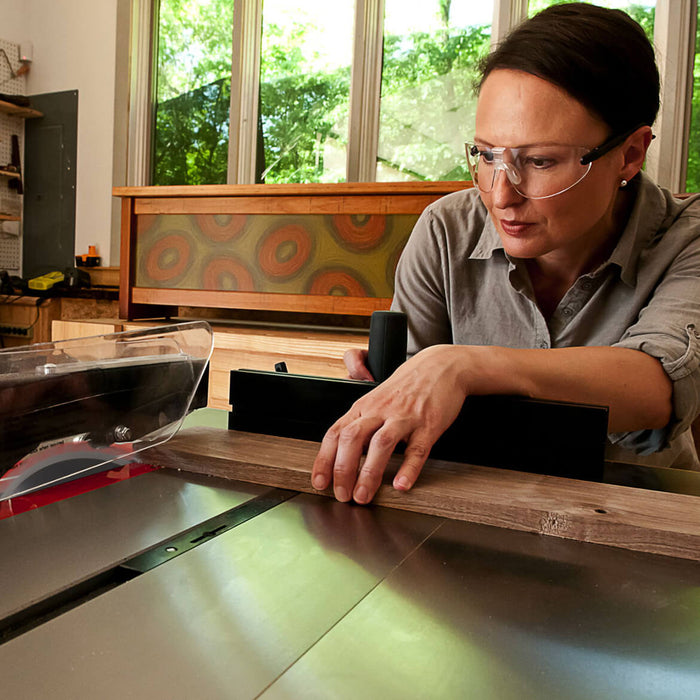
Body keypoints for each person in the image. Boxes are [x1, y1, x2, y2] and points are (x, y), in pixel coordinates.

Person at [311, 2, 700, 504]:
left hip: (639, 513)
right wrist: (393, 386)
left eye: (539, 161)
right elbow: (410, 398)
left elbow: (659, 386)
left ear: (630, 154)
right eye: (487, 155)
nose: (500, 195)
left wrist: (462, 366)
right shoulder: (446, 229)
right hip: (468, 504)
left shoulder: (687, 239)